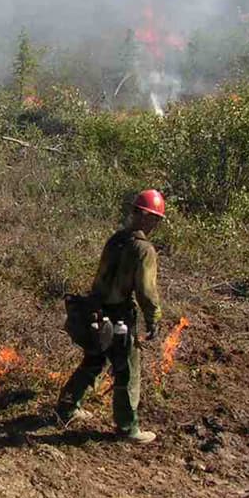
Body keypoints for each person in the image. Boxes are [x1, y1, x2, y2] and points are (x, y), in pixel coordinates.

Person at [56, 189, 166, 444]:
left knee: (94, 360)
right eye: (155, 219)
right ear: (148, 218)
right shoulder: (144, 250)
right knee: (127, 370)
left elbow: (101, 279)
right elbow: (146, 291)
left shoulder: (116, 240)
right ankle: (128, 428)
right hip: (120, 316)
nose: (155, 224)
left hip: (98, 312)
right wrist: (154, 318)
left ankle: (67, 407)